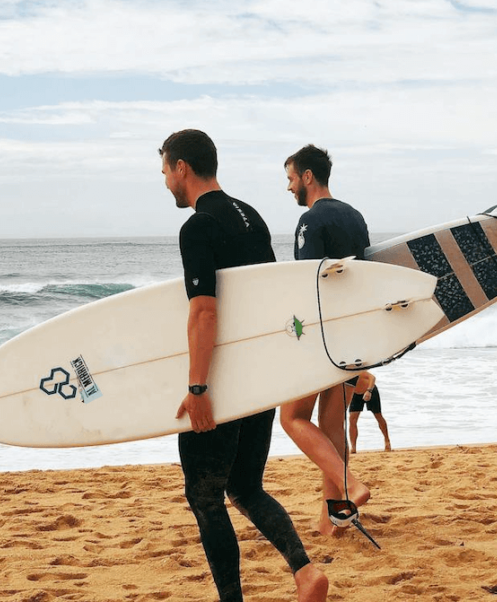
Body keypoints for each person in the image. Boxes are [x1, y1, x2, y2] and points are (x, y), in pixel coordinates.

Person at [162, 129, 328, 602]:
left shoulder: (197, 227)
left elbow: (204, 311)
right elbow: (272, 298)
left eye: (165, 172)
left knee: (205, 496)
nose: (166, 183)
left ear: (182, 168)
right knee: (245, 486)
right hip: (260, 379)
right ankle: (304, 571)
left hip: (224, 385)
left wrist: (198, 388)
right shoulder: (250, 217)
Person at [277, 144, 372, 536]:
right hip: (353, 334)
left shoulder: (310, 221)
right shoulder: (355, 216)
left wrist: (292, 337)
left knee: (292, 418)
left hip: (323, 337)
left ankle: (350, 487)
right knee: (331, 431)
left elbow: (308, 284)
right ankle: (333, 520)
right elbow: (363, 277)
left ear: (307, 177)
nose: (289, 188)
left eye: (290, 179)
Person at [347, 371, 392, 453]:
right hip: (355, 394)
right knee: (352, 419)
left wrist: (369, 391)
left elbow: (372, 377)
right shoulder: (341, 375)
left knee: (378, 415)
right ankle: (353, 447)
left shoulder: (357, 370)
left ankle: (387, 440)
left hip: (370, 391)